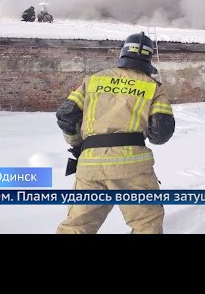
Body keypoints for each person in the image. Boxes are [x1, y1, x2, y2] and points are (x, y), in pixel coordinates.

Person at [55, 32, 174, 234]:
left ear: (123, 53)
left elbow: (66, 116)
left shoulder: (92, 81)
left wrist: (78, 145)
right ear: (149, 57)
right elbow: (160, 134)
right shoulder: (153, 87)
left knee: (77, 226)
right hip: (133, 167)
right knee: (147, 223)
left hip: (90, 166)